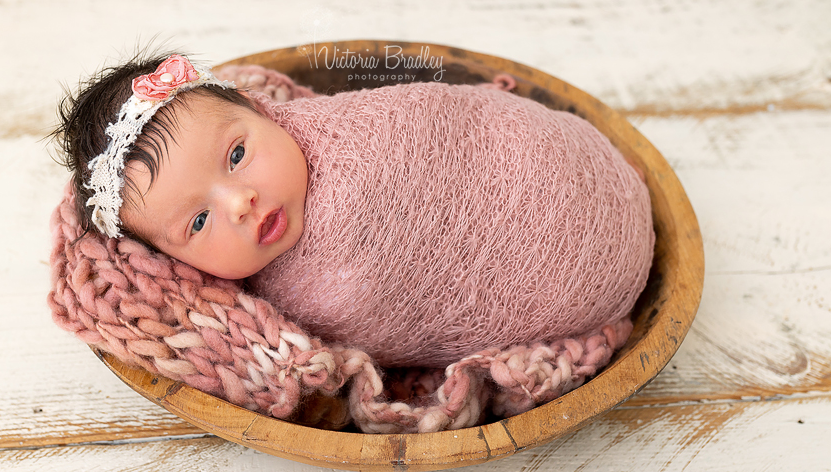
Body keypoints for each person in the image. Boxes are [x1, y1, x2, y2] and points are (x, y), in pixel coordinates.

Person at [54, 52, 653, 370]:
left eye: (237, 154)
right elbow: (383, 308)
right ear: (174, 259)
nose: (240, 202)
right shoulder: (286, 298)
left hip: (561, 170)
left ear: (258, 108)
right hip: (572, 286)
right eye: (198, 223)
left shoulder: (353, 135)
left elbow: (435, 120)